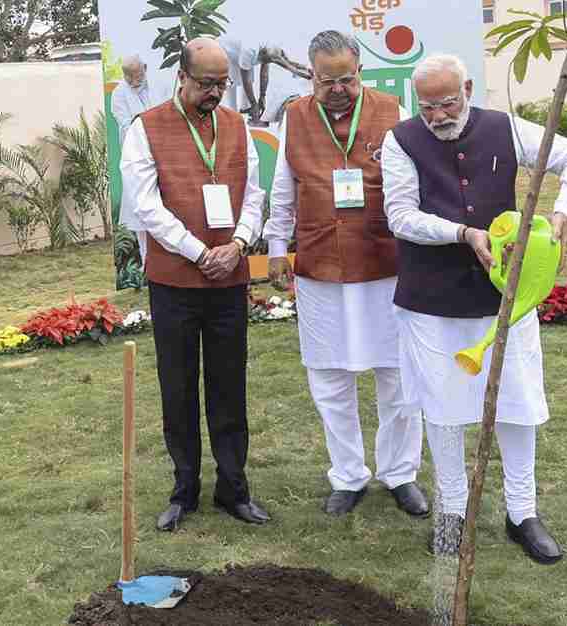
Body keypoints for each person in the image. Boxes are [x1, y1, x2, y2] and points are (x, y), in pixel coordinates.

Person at [382, 53, 567, 564]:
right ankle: (453, 511)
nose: (437, 115)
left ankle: (523, 511)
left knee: (517, 404)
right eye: (427, 105)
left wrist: (564, 210)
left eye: (448, 102)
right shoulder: (401, 140)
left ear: (469, 89)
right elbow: (400, 216)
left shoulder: (505, 128)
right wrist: (461, 233)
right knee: (443, 408)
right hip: (430, 300)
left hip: (506, 297)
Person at [263, 30, 427, 518]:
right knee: (329, 376)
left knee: (397, 375)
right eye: (326, 79)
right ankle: (349, 475)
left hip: (384, 264)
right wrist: (276, 245)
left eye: (347, 79)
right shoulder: (293, 116)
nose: (337, 88)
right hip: (320, 263)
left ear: (361, 73)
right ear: (310, 75)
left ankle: (400, 473)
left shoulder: (393, 110)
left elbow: (411, 188)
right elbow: (283, 187)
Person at [121, 37, 270, 532]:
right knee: (178, 387)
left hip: (229, 278)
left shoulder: (237, 126)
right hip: (175, 282)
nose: (215, 93)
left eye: (221, 84)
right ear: (180, 77)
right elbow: (146, 206)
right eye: (206, 84)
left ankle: (234, 489)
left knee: (229, 385)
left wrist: (241, 243)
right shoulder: (145, 129)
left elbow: (254, 192)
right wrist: (199, 252)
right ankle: (184, 490)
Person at [112, 54, 157, 268]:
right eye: (128, 76)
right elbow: (125, 124)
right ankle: (148, 263)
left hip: (160, 156)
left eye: (136, 74)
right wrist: (144, 123)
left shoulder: (156, 85)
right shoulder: (119, 92)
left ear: (145, 69)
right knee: (139, 214)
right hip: (136, 158)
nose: (132, 80)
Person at [219, 37, 311, 123]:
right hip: (226, 52)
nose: (267, 63)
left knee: (250, 78)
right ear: (263, 54)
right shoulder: (248, 51)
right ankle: (232, 115)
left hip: (243, 50)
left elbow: (264, 75)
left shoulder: (270, 49)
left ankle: (246, 108)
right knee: (233, 83)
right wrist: (254, 104)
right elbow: (245, 80)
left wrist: (262, 97)